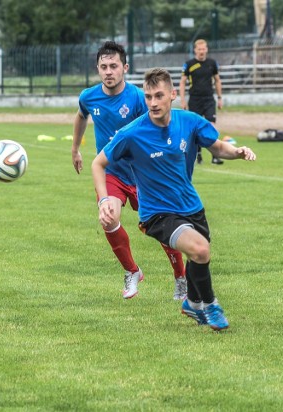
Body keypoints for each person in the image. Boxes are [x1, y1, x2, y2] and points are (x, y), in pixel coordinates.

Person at [92, 68, 256, 330]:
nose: (153, 103)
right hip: (157, 214)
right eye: (148, 97)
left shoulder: (190, 121)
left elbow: (217, 147)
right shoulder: (132, 133)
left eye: (159, 96)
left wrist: (237, 152)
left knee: (198, 256)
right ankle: (210, 305)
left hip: (191, 205)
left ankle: (191, 302)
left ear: (173, 95)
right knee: (200, 250)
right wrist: (104, 201)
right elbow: (98, 163)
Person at [72, 41, 187, 300]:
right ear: (97, 69)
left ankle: (180, 276)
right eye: (104, 67)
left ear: (125, 68)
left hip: (143, 173)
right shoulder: (88, 97)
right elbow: (81, 116)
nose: (108, 71)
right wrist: (75, 149)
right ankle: (132, 271)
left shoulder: (137, 97)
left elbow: (156, 124)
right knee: (108, 217)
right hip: (112, 172)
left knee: (161, 227)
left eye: (114, 66)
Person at [179, 38, 224, 166]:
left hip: (209, 99)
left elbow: (217, 80)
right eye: (199, 49)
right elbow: (182, 82)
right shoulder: (189, 64)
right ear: (195, 50)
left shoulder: (212, 63)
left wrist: (220, 98)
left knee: (212, 126)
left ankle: (215, 156)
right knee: (196, 128)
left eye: (204, 49)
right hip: (195, 99)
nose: (202, 51)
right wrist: (182, 100)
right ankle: (197, 153)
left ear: (207, 49)